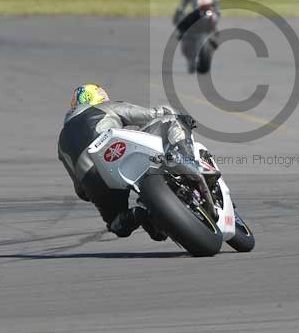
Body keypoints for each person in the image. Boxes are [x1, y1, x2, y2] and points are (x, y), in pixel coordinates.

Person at [57, 83, 198, 239]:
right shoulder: (105, 106)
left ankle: (139, 215)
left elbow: (80, 190)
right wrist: (179, 116)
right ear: (98, 96)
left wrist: (93, 192)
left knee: (116, 224)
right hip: (118, 152)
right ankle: (190, 163)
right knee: (172, 119)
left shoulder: (61, 142)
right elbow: (151, 114)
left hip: (93, 180)